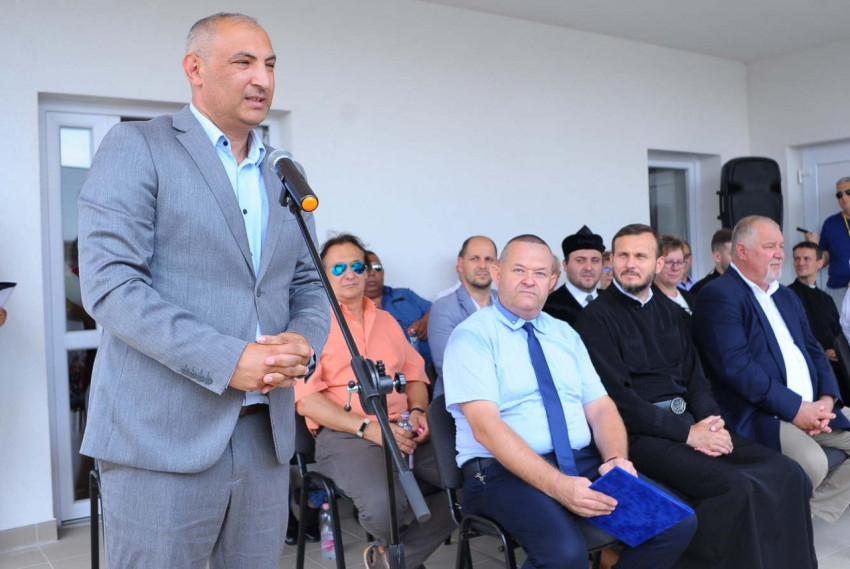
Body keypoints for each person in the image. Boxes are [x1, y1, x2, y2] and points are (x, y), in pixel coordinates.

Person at [76, 13, 330, 567]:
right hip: (160, 439)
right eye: (243, 62)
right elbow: (110, 283)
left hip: (265, 439)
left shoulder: (285, 170)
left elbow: (309, 279)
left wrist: (303, 341)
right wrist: (227, 359)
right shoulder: (137, 146)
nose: (262, 78)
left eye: (270, 65)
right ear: (195, 69)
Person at [443, 234, 697, 569]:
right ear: (497, 273)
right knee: (565, 554)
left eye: (539, 273)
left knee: (674, 524)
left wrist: (616, 458)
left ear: (552, 281)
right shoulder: (471, 336)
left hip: (579, 460)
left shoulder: (564, 333)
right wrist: (559, 486)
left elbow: (601, 406)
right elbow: (486, 427)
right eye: (519, 270)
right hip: (498, 472)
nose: (529, 280)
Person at [575, 223, 817, 569]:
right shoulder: (593, 319)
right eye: (623, 255)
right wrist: (688, 433)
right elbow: (619, 401)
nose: (630, 264)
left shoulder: (674, 313)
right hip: (639, 436)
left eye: (641, 256)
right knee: (734, 487)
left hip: (692, 425)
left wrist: (711, 424)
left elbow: (697, 379)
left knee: (788, 472)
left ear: (657, 263)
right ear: (611, 260)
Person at [294, 234, 453, 569]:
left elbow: (415, 376)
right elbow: (306, 401)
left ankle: (394, 559)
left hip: (403, 428)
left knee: (468, 483)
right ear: (323, 274)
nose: (350, 274)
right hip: (345, 433)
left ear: (367, 272)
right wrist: (368, 427)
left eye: (357, 266)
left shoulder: (387, 320)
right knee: (385, 507)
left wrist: (419, 410)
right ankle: (403, 557)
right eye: (338, 268)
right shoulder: (311, 325)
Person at [694, 215, 850, 522]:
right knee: (813, 463)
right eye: (770, 246)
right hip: (760, 413)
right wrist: (796, 409)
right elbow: (737, 369)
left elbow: (814, 351)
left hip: (811, 408)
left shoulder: (785, 295)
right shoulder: (719, 295)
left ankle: (807, 516)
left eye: (780, 245)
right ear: (742, 251)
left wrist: (826, 399)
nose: (780, 254)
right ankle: (792, 522)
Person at [427, 235, 498, 397]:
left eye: (489, 259)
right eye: (475, 258)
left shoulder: (508, 304)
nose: (482, 265)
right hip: (462, 400)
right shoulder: (443, 307)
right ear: (460, 264)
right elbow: (449, 367)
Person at [364, 249, 433, 369]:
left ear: (383, 272)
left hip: (429, 368)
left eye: (377, 267)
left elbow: (436, 309)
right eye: (366, 268)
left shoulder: (405, 295)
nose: (372, 273)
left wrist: (425, 321)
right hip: (389, 373)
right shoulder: (353, 308)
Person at [789, 242, 842, 367]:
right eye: (797, 259)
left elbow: (838, 332)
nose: (800, 263)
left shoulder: (827, 299)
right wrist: (822, 352)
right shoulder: (786, 296)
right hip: (806, 364)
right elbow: (793, 334)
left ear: (819, 263)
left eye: (806, 258)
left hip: (835, 363)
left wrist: (837, 351)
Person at [542, 225, 604, 326]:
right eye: (580, 260)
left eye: (595, 260)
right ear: (565, 265)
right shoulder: (547, 308)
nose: (588, 268)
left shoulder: (614, 303)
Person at [808, 176, 850, 308]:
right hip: (837, 288)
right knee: (830, 320)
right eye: (839, 195)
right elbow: (824, 260)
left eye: (848, 192)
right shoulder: (830, 223)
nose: (844, 197)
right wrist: (814, 247)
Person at [653, 234, 694, 315]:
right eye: (669, 262)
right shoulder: (647, 301)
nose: (675, 268)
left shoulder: (692, 298)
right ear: (657, 264)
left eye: (679, 262)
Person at [690, 228, 732, 296]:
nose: (738, 258)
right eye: (732, 253)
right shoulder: (701, 289)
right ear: (717, 257)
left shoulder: (745, 284)